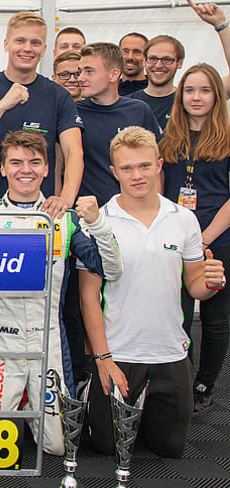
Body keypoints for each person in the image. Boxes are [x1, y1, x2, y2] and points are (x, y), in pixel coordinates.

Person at [0, 130, 122, 455]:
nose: (25, 170)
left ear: (47, 168)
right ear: (2, 168)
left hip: (48, 340)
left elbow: (111, 270)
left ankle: (32, 404)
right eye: (16, 162)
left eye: (34, 162)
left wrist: (99, 224)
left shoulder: (64, 219)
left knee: (59, 446)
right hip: (1, 342)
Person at [82, 127, 225, 458]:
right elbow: (89, 296)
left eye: (144, 166)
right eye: (127, 168)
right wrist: (103, 359)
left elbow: (194, 284)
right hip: (118, 354)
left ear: (159, 165)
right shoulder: (99, 221)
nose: (137, 175)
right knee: (107, 448)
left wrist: (211, 283)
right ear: (114, 171)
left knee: (169, 449)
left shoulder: (184, 219)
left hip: (170, 354)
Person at [0, 11, 83, 217]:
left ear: (44, 49)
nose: (27, 48)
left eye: (35, 43)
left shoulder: (58, 95)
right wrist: (2, 105)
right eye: (20, 41)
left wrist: (66, 199)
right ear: (6, 44)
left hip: (41, 216)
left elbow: (74, 152)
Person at [158, 64, 230, 412]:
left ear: (217, 95)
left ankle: (205, 384)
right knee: (178, 314)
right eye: (189, 90)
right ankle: (181, 380)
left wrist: (203, 239)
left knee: (216, 318)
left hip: (218, 238)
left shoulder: (227, 138)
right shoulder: (168, 139)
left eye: (204, 90)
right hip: (175, 240)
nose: (196, 97)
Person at [75, 42, 162, 204]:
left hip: (133, 210)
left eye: (89, 71)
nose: (80, 78)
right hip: (87, 210)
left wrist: (157, 208)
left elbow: (155, 166)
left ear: (114, 75)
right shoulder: (73, 112)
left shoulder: (139, 110)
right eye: (80, 71)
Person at [129, 34, 185, 130]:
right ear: (144, 61)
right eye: (153, 59)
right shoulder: (128, 104)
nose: (158, 65)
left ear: (179, 63)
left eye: (166, 60)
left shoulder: (187, 103)